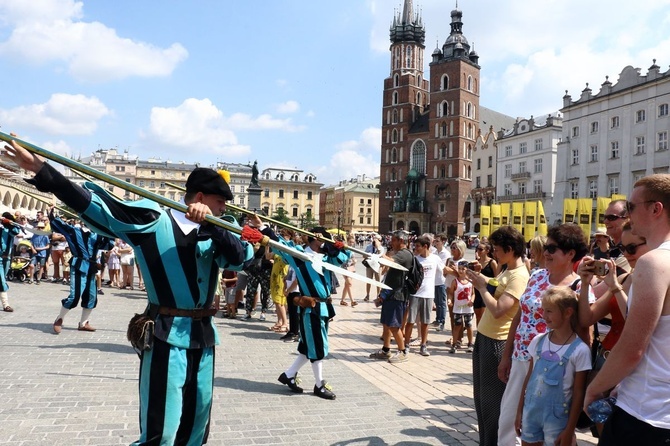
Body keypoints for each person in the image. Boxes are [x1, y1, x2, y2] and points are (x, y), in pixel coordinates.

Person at [5, 138, 255, 445]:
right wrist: (44, 171)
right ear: (201, 197)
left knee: (196, 427)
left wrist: (215, 225)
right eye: (220, 203)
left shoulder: (219, 231)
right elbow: (96, 207)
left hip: (204, 338)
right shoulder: (153, 220)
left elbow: (242, 258)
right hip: (166, 334)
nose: (224, 209)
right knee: (160, 431)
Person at [584, 175, 670, 444]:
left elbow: (633, 347)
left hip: (644, 412)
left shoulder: (654, 262)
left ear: (656, 209)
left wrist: (595, 389)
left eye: (631, 207)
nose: (627, 216)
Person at [497, 224, 591, 446]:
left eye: (552, 248)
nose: (546, 253)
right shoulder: (537, 275)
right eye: (546, 247)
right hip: (522, 356)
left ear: (570, 254)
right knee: (509, 419)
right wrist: (506, 354)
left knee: (550, 425)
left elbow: (584, 331)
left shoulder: (579, 286)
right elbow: (519, 316)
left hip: (555, 365)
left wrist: (581, 371)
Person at [248, 223, 351, 400]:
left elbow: (342, 258)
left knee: (308, 346)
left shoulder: (325, 258)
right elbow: (280, 246)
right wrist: (265, 228)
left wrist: (335, 246)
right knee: (318, 345)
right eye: (323, 237)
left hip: (324, 307)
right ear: (315, 238)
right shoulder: (300, 255)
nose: (326, 240)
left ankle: (288, 375)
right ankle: (319, 384)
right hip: (311, 307)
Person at [466, 225, 530, 446]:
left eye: (497, 248)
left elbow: (499, 309)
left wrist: (482, 287)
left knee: (492, 403)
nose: (494, 253)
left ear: (510, 249)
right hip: (486, 337)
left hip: (497, 343)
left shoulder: (519, 276)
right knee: (482, 400)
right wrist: (481, 282)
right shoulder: (507, 270)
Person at [515, 286, 591, 446]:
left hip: (558, 420)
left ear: (568, 312)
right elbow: (529, 378)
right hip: (531, 413)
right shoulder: (538, 341)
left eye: (549, 311)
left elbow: (578, 393)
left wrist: (570, 430)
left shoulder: (580, 350)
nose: (544, 316)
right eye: (544, 310)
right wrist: (519, 410)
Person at [48, 208, 113, 333]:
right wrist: (52, 214)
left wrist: (106, 229)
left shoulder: (98, 235)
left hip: (91, 268)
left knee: (91, 296)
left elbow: (108, 245)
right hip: (79, 265)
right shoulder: (73, 231)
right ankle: (59, 319)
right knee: (75, 296)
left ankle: (83, 323)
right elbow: (59, 225)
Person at [368, 230, 414, 363]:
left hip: (397, 295)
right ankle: (386, 350)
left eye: (393, 240)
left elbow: (389, 261)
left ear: (401, 240)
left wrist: (379, 252)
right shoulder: (399, 253)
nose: (391, 242)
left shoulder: (404, 254)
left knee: (394, 325)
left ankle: (402, 351)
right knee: (387, 323)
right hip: (390, 293)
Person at [403, 236, 445, 357]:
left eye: (417, 246)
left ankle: (423, 345)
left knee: (425, 322)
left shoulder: (435, 259)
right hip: (414, 294)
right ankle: (406, 345)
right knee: (410, 321)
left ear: (425, 246)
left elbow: (445, 270)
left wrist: (459, 272)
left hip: (428, 294)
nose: (415, 248)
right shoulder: (415, 260)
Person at [448, 261, 474, 353]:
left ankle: (470, 343)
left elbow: (473, 293)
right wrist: (450, 300)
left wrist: (472, 300)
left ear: (467, 269)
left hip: (468, 308)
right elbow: (451, 293)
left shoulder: (470, 282)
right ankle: (454, 344)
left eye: (463, 269)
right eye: (459, 268)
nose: (461, 271)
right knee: (457, 326)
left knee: (469, 325)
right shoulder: (455, 282)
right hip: (458, 308)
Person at [473, 241, 498, 325]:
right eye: (477, 249)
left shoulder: (492, 262)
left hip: (488, 291)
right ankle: (478, 333)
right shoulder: (476, 262)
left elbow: (497, 278)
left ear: (487, 251)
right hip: (477, 291)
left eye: (481, 249)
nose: (478, 251)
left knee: (484, 314)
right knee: (477, 315)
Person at [0, 212, 21, 312]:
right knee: (1, 280)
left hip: (7, 257)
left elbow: (16, 231)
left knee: (2, 278)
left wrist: (10, 223)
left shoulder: (10, 228)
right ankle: (6, 304)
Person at [432, 233, 451, 331]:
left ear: (443, 242)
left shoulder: (446, 254)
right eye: (435, 241)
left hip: (442, 280)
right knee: (436, 301)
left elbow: (442, 267)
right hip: (434, 280)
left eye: (437, 241)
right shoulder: (434, 252)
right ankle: (437, 319)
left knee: (442, 302)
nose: (436, 242)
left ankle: (441, 321)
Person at [363, 234, 383, 301]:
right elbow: (364, 255)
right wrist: (369, 256)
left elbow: (381, 256)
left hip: (377, 266)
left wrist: (378, 247)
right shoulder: (369, 246)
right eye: (375, 239)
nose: (376, 241)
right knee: (369, 280)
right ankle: (367, 295)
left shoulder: (381, 248)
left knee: (378, 281)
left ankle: (378, 295)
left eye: (378, 240)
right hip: (369, 265)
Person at [340, 235, 358, 307]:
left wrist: (355, 261)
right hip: (345, 268)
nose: (351, 243)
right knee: (349, 284)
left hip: (351, 267)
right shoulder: (345, 248)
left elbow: (353, 258)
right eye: (350, 242)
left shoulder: (352, 249)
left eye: (353, 242)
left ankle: (342, 300)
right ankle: (352, 301)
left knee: (347, 285)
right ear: (347, 241)